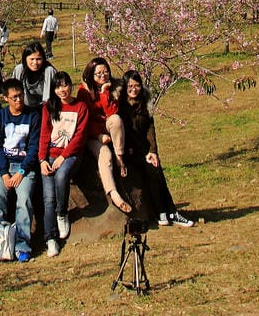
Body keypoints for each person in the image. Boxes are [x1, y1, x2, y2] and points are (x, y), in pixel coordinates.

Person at [117, 70, 194, 227]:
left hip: (143, 150)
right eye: (130, 86)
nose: (134, 89)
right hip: (127, 152)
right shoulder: (119, 105)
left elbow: (150, 130)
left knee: (154, 169)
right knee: (148, 172)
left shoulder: (145, 102)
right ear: (124, 87)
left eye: (137, 85)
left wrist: (153, 151)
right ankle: (163, 211)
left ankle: (169, 211)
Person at [0, 78, 40, 265]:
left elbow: (34, 147)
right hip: (4, 166)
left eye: (20, 96)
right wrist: (4, 173)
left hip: (24, 167)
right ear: (6, 99)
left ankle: (22, 246)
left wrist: (21, 172)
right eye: (14, 97)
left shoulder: (33, 116)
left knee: (24, 200)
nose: (18, 100)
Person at [38, 71, 89, 256]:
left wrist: (63, 157)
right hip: (50, 155)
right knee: (48, 198)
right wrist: (42, 159)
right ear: (54, 89)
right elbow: (44, 135)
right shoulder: (49, 107)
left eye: (65, 85)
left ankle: (62, 213)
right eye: (58, 86)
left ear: (71, 85)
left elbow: (79, 137)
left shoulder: (80, 107)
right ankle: (50, 239)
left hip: (71, 155)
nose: (62, 89)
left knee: (61, 175)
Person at [76, 57, 131, 213]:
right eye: (98, 73)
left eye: (105, 71)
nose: (103, 75)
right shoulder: (83, 91)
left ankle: (120, 157)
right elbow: (83, 120)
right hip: (91, 134)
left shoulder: (114, 87)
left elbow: (112, 113)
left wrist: (105, 92)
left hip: (108, 127)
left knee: (115, 120)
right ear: (91, 74)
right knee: (105, 155)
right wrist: (99, 136)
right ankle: (114, 194)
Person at [12, 41, 57, 111]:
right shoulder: (19, 70)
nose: (35, 62)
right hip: (24, 109)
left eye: (38, 59)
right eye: (32, 59)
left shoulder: (49, 71)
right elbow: (13, 92)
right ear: (25, 59)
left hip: (46, 109)